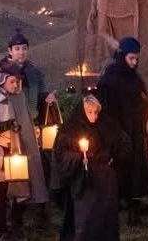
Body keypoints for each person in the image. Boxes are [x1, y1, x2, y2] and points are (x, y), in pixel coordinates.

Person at [0, 64, 47, 241]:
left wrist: (28, 131)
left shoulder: (18, 98)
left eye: (18, 82)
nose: (16, 85)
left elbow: (24, 122)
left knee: (21, 189)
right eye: (12, 81)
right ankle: (2, 229)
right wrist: (5, 127)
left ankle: (16, 224)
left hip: (17, 152)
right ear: (3, 80)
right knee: (0, 193)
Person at [96, 36, 148, 226]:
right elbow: (105, 109)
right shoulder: (109, 80)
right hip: (118, 133)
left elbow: (141, 101)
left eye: (136, 59)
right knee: (121, 168)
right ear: (122, 56)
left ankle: (133, 203)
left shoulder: (134, 78)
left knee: (136, 166)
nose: (134, 63)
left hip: (135, 130)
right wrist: (115, 134)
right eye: (131, 58)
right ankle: (121, 204)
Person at [54, 94, 124, 241]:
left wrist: (112, 159)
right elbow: (61, 155)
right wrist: (80, 156)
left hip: (105, 181)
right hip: (84, 183)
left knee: (106, 218)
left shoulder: (104, 127)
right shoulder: (69, 130)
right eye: (90, 112)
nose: (94, 116)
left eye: (96, 112)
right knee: (87, 219)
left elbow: (118, 146)